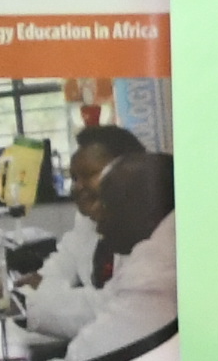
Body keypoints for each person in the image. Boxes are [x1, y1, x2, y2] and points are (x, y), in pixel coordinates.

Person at [21, 124, 148, 342]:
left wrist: (33, 301)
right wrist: (41, 290)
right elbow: (63, 262)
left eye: (89, 175)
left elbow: (110, 308)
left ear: (128, 173)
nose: (76, 188)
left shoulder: (148, 229)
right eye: (74, 178)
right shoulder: (88, 219)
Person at [56, 148, 180, 361]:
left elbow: (85, 358)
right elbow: (108, 302)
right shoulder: (157, 248)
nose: (100, 221)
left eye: (108, 207)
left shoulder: (155, 272)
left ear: (146, 211)